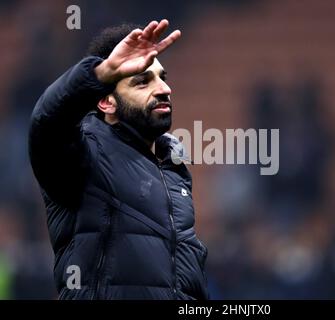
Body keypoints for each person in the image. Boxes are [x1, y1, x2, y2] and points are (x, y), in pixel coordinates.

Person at [28, 19, 209, 300]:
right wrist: (102, 73)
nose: (163, 88)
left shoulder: (175, 171)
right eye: (142, 81)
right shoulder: (83, 154)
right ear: (106, 102)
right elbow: (47, 123)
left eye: (163, 77)